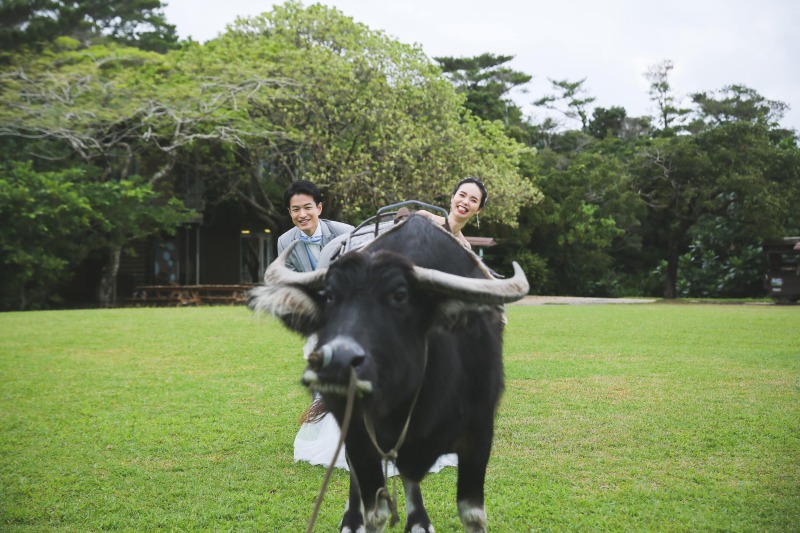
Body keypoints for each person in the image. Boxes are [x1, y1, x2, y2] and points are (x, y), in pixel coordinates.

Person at [277, 180, 354, 272]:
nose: (302, 215)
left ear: (319, 208)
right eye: (296, 209)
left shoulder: (345, 233)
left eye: (307, 207)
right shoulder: (284, 242)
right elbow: (290, 280)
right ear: (290, 212)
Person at [417, 176, 488, 249]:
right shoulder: (423, 218)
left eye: (473, 200)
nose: (465, 202)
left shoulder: (464, 247)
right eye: (462, 195)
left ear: (478, 210)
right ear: (452, 198)